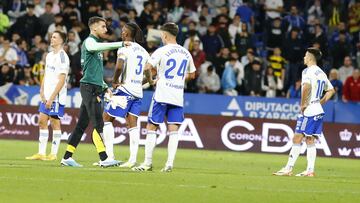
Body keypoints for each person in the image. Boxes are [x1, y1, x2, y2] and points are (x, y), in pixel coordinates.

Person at [61, 17, 130, 167]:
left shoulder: (95, 45)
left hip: (94, 87)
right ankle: (104, 158)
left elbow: (96, 72)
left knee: (82, 125)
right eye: (103, 27)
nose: (106, 29)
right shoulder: (89, 42)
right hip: (88, 88)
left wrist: (105, 87)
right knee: (99, 123)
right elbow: (97, 47)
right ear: (94, 28)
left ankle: (67, 157)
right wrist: (121, 44)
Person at [132, 22, 196, 172]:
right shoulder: (186, 53)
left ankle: (147, 163)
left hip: (161, 94)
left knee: (151, 127)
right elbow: (192, 74)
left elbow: (148, 67)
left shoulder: (162, 51)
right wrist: (179, 79)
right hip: (177, 96)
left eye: (161, 34)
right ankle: (169, 164)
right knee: (173, 130)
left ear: (165, 35)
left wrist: (150, 81)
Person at [273, 48, 335, 177]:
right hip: (317, 109)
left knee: (301, 138)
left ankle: (293, 168)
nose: (304, 57)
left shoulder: (307, 71)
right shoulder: (321, 73)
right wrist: (320, 103)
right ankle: (304, 169)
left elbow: (306, 87)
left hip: (309, 110)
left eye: (306, 55)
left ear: (311, 58)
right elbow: (331, 91)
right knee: (307, 138)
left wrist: (303, 104)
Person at [101, 22, 149, 168]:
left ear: (126, 34)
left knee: (107, 118)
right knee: (132, 124)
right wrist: (140, 83)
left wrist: (115, 81)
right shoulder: (143, 51)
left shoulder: (124, 48)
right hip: (137, 92)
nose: (121, 32)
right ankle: (132, 160)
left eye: (123, 31)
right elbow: (149, 71)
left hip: (124, 90)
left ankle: (109, 156)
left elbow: (119, 66)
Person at [25, 31, 69, 161]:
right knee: (42, 121)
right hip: (46, 94)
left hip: (56, 96)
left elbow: (62, 79)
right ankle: (41, 153)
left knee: (55, 123)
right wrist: (42, 90)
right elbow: (47, 74)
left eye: (55, 37)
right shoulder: (49, 55)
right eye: (52, 37)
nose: (51, 39)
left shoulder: (63, 57)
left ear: (61, 41)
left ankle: (53, 154)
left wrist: (52, 97)